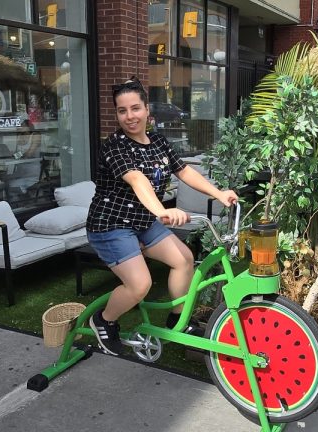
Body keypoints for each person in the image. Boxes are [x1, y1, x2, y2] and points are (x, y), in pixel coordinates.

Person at [86, 77, 238, 355]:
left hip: (143, 222)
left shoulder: (157, 140)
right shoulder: (115, 145)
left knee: (184, 259)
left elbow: (184, 171)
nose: (130, 116)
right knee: (140, 285)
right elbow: (137, 180)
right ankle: (104, 320)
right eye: (122, 110)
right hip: (111, 225)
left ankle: (177, 319)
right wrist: (162, 211)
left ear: (147, 110)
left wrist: (218, 193)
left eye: (135, 108)